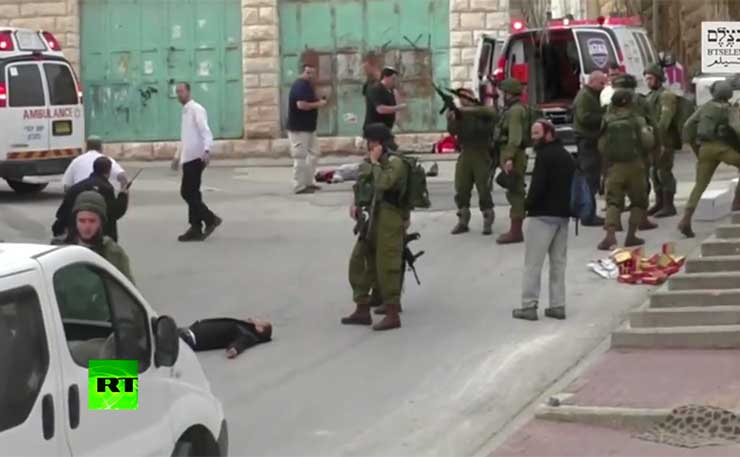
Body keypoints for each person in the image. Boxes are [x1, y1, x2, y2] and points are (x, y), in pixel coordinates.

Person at [342, 123, 408, 331]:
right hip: (373, 215)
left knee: (386, 264)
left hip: (391, 216)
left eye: (370, 142)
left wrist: (374, 163)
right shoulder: (372, 161)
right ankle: (362, 307)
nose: (367, 146)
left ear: (379, 143)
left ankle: (392, 313)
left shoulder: (396, 163)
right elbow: (362, 183)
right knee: (359, 259)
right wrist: (355, 203)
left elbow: (384, 183)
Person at [513, 120, 574, 321]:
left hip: (542, 217)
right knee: (558, 264)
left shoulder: (544, 157)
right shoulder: (566, 156)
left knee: (533, 264)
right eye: (532, 133)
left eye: (537, 133)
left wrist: (527, 205)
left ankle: (529, 306)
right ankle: (558, 305)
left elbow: (537, 187)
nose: (534, 137)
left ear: (549, 134)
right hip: (563, 217)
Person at [679, 81, 740, 237]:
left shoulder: (705, 107)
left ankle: (686, 219)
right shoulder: (729, 109)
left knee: (700, 185)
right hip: (723, 148)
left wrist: (695, 148)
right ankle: (737, 203)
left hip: (705, 149)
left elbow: (687, 126)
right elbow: (737, 129)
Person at [597, 89, 652, 250]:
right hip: (635, 165)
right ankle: (631, 236)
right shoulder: (638, 120)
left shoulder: (606, 120)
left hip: (615, 167)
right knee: (638, 201)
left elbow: (601, 145)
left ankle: (610, 237)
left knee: (613, 201)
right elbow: (648, 142)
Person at [172, 82, 222, 242]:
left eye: (181, 91)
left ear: (188, 91)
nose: (179, 94)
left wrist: (207, 150)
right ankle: (195, 227)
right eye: (177, 92)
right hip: (188, 157)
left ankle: (210, 219)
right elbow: (186, 137)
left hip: (196, 157)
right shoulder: (185, 111)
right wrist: (177, 156)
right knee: (193, 193)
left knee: (187, 192)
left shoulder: (196, 109)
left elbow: (205, 131)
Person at [609, 73, 658, 231]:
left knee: (617, 188)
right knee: (641, 187)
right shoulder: (641, 100)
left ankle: (615, 222)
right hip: (639, 151)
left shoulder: (613, 101)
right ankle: (642, 219)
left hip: (616, 151)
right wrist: (657, 144)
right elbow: (653, 123)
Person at [448, 88, 498, 235]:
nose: (462, 100)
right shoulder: (460, 114)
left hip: (481, 153)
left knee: (483, 189)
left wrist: (465, 111)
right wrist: (451, 118)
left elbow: (492, 115)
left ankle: (487, 221)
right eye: (460, 97)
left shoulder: (483, 110)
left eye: (465, 96)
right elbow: (453, 132)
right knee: (461, 187)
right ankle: (463, 221)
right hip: (465, 152)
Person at [56, 191, 134, 282]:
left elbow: (125, 287)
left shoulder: (113, 253)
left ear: (101, 222)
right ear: (75, 221)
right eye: (82, 221)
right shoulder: (58, 249)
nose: (87, 227)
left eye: (92, 221)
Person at [52, 156, 128, 242]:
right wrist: (123, 194)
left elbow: (62, 213)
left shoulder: (76, 187)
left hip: (75, 239)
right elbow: (116, 212)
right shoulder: (106, 188)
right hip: (100, 240)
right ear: (109, 170)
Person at [494, 78, 528, 244]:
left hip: (513, 155)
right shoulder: (512, 109)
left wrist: (508, 158)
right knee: (514, 191)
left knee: (515, 193)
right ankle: (515, 229)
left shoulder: (515, 111)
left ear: (509, 93)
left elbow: (515, 138)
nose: (501, 95)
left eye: (503, 92)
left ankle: (516, 232)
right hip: (510, 153)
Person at [644, 63, 679, 218]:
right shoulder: (651, 96)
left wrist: (658, 138)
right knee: (654, 172)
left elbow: (665, 120)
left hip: (665, 140)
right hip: (653, 140)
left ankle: (669, 205)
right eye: (646, 79)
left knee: (663, 172)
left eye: (650, 78)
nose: (648, 81)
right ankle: (659, 202)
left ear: (658, 78)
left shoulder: (666, 96)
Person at [573, 71, 608, 227]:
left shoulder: (591, 95)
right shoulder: (585, 97)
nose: (604, 86)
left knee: (592, 178)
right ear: (593, 81)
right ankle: (587, 215)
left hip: (591, 141)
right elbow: (584, 117)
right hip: (587, 142)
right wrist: (604, 117)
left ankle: (589, 212)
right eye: (601, 83)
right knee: (589, 179)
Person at [287, 63, 327, 194]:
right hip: (299, 128)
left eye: (312, 73)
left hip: (309, 128)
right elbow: (301, 105)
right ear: (302, 72)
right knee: (300, 157)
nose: (310, 75)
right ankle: (298, 186)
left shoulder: (308, 86)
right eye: (308, 72)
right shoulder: (299, 85)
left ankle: (309, 182)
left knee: (314, 154)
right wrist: (318, 104)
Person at [179, 318, 272, 359]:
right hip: (190, 330)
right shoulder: (245, 327)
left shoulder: (248, 335)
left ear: (260, 329)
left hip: (192, 338)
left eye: (260, 321)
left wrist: (234, 349)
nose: (257, 318)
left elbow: (242, 342)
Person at [62, 135, 128, 191]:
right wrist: (123, 194)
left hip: (81, 201)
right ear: (101, 147)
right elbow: (123, 177)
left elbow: (66, 185)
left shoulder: (76, 161)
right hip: (102, 201)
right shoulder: (107, 160)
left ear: (86, 147)